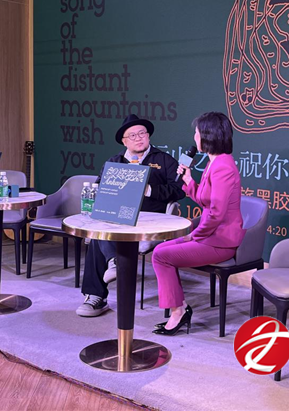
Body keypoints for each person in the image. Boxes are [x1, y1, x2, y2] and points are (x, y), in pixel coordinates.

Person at [76, 114, 186, 317]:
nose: (138, 138)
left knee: (101, 237)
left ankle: (109, 270)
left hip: (151, 219)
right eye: (132, 135)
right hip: (118, 218)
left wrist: (149, 190)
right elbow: (100, 190)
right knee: (99, 232)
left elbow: (179, 190)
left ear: (149, 136)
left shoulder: (164, 160)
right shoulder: (114, 162)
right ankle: (98, 293)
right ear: (124, 141)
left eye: (142, 133)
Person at [151, 112, 245, 335]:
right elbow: (206, 200)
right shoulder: (215, 163)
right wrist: (188, 180)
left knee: (161, 256)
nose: (194, 138)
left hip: (220, 241)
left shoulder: (222, 167)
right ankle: (179, 308)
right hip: (210, 236)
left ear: (208, 135)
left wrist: (194, 235)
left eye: (196, 133)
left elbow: (216, 213)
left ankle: (178, 311)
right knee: (160, 250)